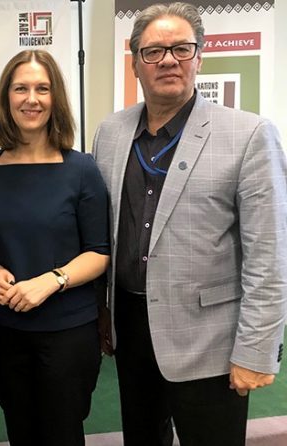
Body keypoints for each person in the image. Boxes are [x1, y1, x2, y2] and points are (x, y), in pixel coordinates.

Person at [92, 3, 287, 445]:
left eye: (181, 48)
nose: (168, 60)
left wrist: (256, 351)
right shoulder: (111, 133)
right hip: (132, 331)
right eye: (153, 51)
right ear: (136, 63)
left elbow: (269, 256)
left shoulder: (249, 135)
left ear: (199, 57)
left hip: (210, 342)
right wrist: (103, 310)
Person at [0, 49, 110, 446]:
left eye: (42, 89)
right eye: (21, 88)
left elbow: (99, 252)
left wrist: (52, 281)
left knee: (63, 433)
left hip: (69, 332)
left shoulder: (81, 169)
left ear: (55, 97)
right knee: (21, 431)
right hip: (7, 330)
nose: (31, 99)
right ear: (6, 97)